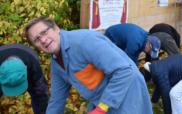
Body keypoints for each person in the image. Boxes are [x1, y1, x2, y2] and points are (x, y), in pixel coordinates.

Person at [24, 17, 152, 114]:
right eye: (37, 39)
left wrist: (101, 109)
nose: (43, 40)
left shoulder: (84, 41)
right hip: (102, 99)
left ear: (56, 28)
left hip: (128, 91)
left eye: (44, 32)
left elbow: (124, 71)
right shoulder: (57, 64)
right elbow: (56, 100)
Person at [0, 44, 49, 114]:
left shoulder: (33, 63)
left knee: (41, 95)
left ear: (26, 68)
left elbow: (41, 93)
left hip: (28, 64)